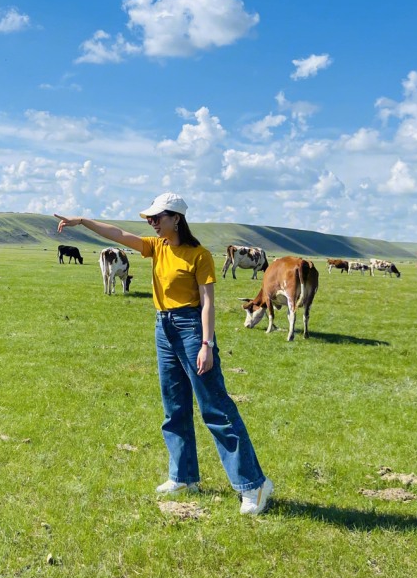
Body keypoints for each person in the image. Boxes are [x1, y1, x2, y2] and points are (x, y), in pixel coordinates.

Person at [54, 193, 273, 515]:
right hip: (163, 327)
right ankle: (183, 477)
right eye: (149, 218)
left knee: (215, 408)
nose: (151, 223)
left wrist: (207, 344)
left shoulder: (199, 255)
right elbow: (117, 234)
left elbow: (208, 301)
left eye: (157, 217)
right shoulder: (157, 248)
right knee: (174, 406)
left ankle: (253, 484)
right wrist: (82, 221)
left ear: (177, 219)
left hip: (191, 328)